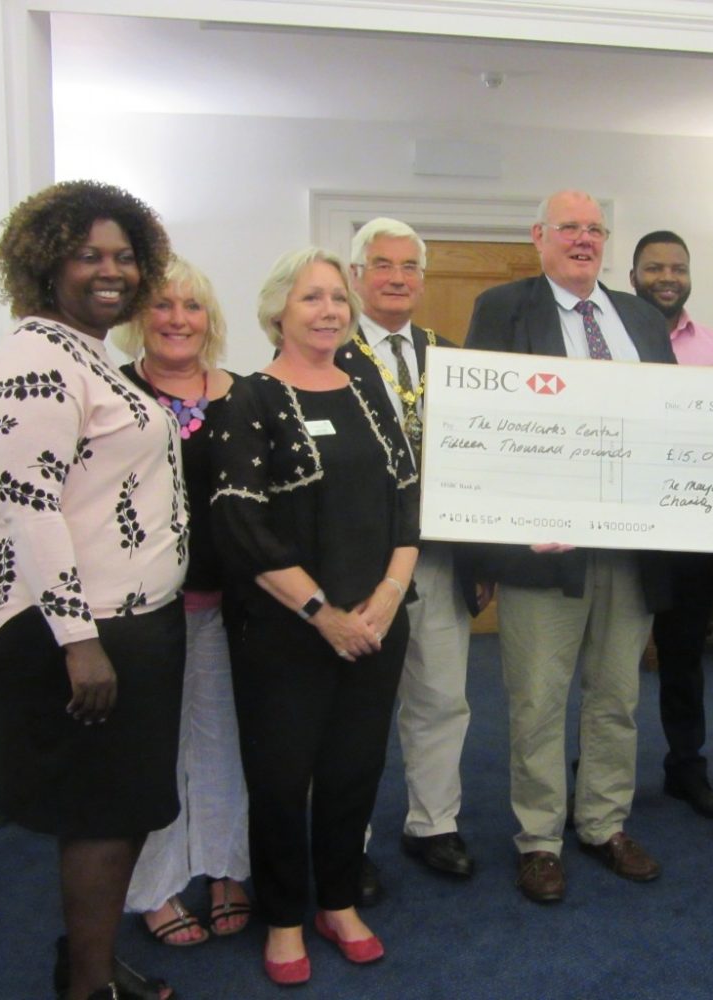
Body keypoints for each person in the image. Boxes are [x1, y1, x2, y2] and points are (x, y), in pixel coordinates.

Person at [0, 180, 184, 1000]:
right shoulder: (32, 359)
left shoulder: (82, 354)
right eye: (88, 254)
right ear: (43, 262)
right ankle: (88, 988)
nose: (111, 271)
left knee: (120, 806)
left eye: (125, 256)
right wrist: (79, 640)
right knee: (98, 811)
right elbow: (28, 508)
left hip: (125, 618)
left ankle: (89, 962)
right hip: (72, 628)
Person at [210, 248, 418, 986]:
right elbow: (241, 525)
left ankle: (336, 900)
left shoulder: (367, 390)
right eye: (310, 298)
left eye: (337, 298)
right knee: (279, 778)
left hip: (375, 626)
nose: (328, 310)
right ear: (278, 312)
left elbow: (406, 504)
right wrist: (324, 613)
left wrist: (387, 599)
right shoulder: (252, 397)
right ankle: (285, 917)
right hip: (286, 631)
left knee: (354, 771)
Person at [464, 189, 675, 903]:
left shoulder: (641, 317)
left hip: (631, 545)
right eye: (568, 228)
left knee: (616, 693)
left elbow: (667, 422)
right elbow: (483, 424)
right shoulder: (503, 309)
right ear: (539, 238)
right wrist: (496, 539)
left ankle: (603, 823)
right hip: (543, 549)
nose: (582, 239)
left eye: (594, 229)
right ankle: (539, 839)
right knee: (537, 697)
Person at [338, 218, 487, 885]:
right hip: (359, 563)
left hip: (440, 556)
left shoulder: (449, 356)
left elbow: (479, 461)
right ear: (355, 276)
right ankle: (347, 840)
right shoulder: (328, 355)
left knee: (440, 697)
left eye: (409, 267)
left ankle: (434, 823)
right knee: (355, 711)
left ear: (422, 280)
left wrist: (482, 557)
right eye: (381, 265)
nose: (396, 278)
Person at [113, 257, 251, 944]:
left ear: (211, 320)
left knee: (227, 739)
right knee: (152, 752)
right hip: (143, 612)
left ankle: (227, 867)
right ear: (140, 316)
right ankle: (156, 886)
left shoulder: (247, 397)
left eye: (191, 307)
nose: (176, 320)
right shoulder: (114, 395)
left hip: (236, 608)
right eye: (162, 306)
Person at [628, 230, 713, 820]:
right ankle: (597, 774)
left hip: (692, 534)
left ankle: (686, 770)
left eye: (677, 267)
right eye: (653, 268)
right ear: (633, 275)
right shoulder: (609, 341)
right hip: (618, 532)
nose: (666, 277)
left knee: (685, 656)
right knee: (607, 663)